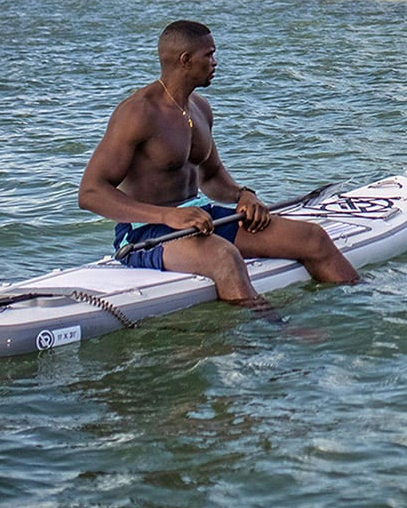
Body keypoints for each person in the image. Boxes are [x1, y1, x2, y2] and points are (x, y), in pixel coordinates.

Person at [78, 20, 359, 317]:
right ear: (185, 60)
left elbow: (211, 177)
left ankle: (360, 313)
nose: (215, 62)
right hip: (145, 232)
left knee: (312, 238)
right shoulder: (138, 113)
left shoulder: (199, 108)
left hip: (202, 216)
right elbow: (91, 193)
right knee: (225, 258)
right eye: (209, 55)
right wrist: (168, 215)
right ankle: (278, 336)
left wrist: (243, 195)